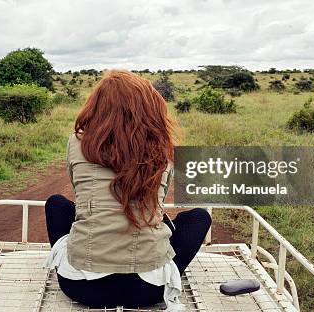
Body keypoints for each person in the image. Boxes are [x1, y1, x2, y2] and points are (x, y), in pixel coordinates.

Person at [44, 70, 212, 310]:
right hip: (149, 290)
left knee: (57, 204)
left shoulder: (77, 141)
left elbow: (79, 191)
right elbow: (158, 203)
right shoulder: (162, 147)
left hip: (80, 287)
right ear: (148, 107)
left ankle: (83, 259)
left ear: (97, 105)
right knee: (198, 217)